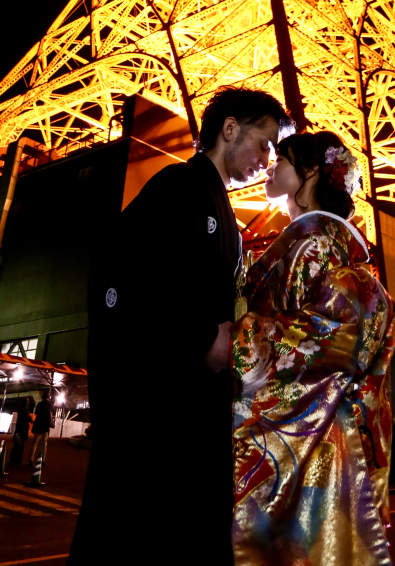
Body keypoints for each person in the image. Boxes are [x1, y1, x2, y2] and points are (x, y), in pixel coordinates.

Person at [67, 86, 289, 566]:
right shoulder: (180, 184)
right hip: (158, 410)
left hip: (193, 409)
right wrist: (202, 339)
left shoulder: (218, 207)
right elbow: (118, 269)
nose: (268, 160)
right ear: (229, 129)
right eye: (265, 143)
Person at [231, 130, 395, 565]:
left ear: (309, 172)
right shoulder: (327, 245)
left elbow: (313, 343)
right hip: (328, 440)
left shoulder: (314, 245)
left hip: (308, 437)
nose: (272, 164)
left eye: (283, 158)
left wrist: (239, 336)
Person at [10, 396, 35, 467]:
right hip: (23, 429)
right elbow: (28, 418)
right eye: (27, 401)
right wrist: (31, 420)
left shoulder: (21, 409)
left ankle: (14, 460)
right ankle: (17, 460)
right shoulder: (25, 410)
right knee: (20, 446)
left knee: (17, 445)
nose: (28, 402)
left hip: (19, 428)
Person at [31, 388, 53, 466]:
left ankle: (31, 459)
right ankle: (43, 460)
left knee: (35, 443)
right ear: (48, 397)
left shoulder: (39, 404)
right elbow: (50, 415)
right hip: (45, 426)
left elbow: (36, 413)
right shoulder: (49, 405)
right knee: (44, 444)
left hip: (38, 425)